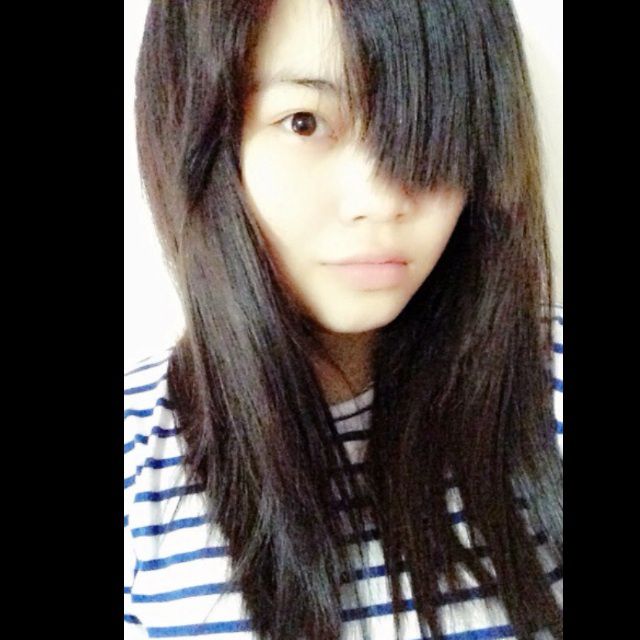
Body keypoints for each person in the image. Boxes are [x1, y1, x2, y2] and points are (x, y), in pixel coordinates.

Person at [124, 0, 563, 638]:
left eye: (427, 127)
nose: (380, 199)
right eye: (304, 122)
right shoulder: (139, 450)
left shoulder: (547, 385)